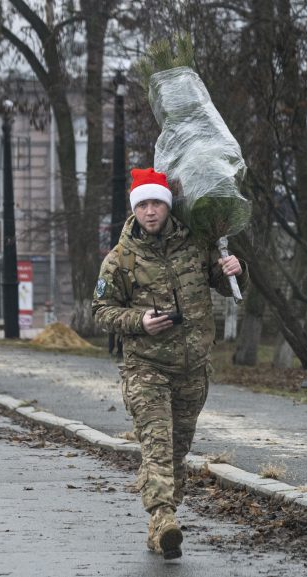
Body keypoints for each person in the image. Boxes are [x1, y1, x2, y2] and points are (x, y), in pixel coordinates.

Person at [92, 167, 247, 560]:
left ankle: (161, 524)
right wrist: (139, 321)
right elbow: (101, 310)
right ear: (134, 208)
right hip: (146, 368)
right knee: (157, 445)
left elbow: (222, 283)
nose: (150, 211)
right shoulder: (121, 259)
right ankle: (163, 518)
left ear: (168, 206)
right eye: (142, 204)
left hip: (193, 369)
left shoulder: (196, 243)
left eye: (156, 203)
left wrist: (234, 269)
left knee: (178, 450)